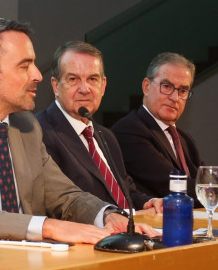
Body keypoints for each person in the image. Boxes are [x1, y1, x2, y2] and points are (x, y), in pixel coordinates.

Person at [0, 19, 155, 244]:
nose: (37, 75)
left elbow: (65, 196)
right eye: (25, 66)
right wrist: (48, 227)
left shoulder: (26, 127)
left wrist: (108, 215)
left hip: (23, 268)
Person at [37, 41, 162, 212]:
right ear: (55, 86)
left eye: (92, 79)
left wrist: (148, 202)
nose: (84, 89)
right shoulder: (41, 133)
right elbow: (62, 204)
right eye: (73, 79)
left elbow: (125, 193)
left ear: (103, 86)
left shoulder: (106, 136)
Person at [114, 52, 218, 205]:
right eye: (166, 86)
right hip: (153, 223)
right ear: (146, 86)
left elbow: (207, 181)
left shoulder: (183, 138)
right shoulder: (129, 130)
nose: (174, 98)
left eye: (182, 91)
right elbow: (174, 186)